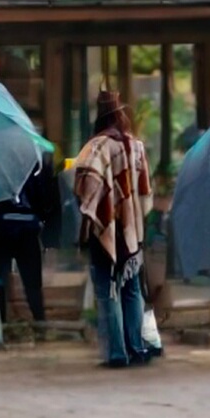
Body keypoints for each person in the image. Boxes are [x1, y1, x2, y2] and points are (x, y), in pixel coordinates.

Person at [72, 83, 155, 368]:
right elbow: (145, 194)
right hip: (131, 232)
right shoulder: (137, 147)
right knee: (131, 290)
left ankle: (117, 353)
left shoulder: (95, 147)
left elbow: (85, 185)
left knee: (106, 293)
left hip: (105, 231)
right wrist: (132, 216)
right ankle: (137, 348)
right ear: (121, 115)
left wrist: (100, 210)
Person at [0, 136, 62, 339]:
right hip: (26, 226)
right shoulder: (35, 160)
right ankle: (40, 323)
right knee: (32, 281)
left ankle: (2, 325)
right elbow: (48, 197)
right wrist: (46, 225)